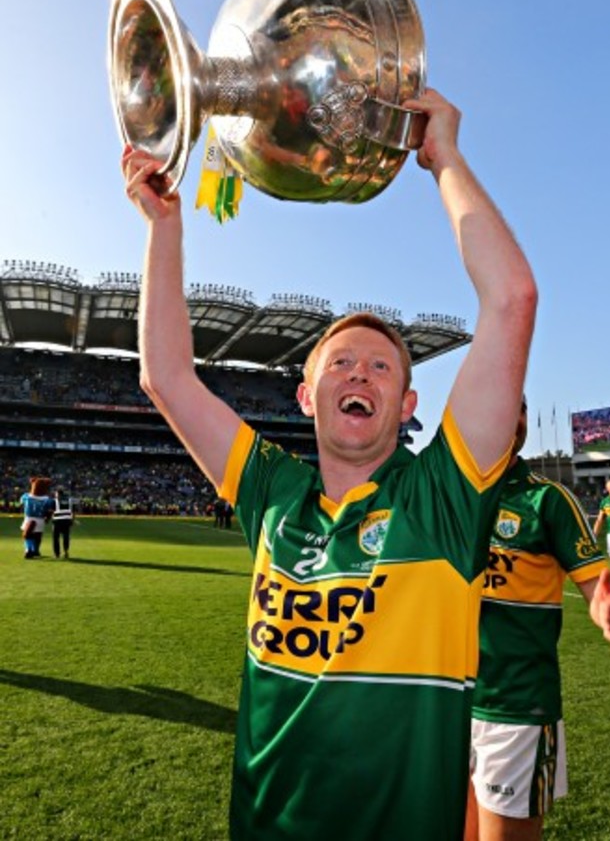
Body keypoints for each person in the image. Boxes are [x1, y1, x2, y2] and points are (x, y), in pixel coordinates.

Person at [121, 87, 538, 840]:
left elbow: (510, 299)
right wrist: (164, 227)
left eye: (381, 367)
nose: (358, 374)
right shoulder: (272, 490)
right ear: (307, 393)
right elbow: (167, 377)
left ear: (409, 405)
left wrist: (443, 157)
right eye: (340, 362)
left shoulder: (443, 498)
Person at [464, 400, 610, 841]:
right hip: (441, 704)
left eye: (521, 408)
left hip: (515, 708)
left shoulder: (547, 499)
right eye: (507, 403)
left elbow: (594, 589)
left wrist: (607, 609)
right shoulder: (447, 496)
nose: (514, 417)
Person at [20, 476, 56, 559]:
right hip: (40, 519)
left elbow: (21, 504)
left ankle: (29, 549)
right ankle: (36, 550)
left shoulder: (26, 496)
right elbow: (50, 511)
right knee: (38, 536)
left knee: (27, 535)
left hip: (29, 518)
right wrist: (48, 518)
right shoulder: (48, 499)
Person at [52, 491, 74, 559]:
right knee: (66, 537)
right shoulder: (69, 500)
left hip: (57, 521)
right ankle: (66, 551)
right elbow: (73, 511)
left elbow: (51, 511)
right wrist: (72, 520)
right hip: (67, 521)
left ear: (58, 494)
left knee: (56, 538)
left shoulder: (54, 501)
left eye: (56, 494)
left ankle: (57, 554)